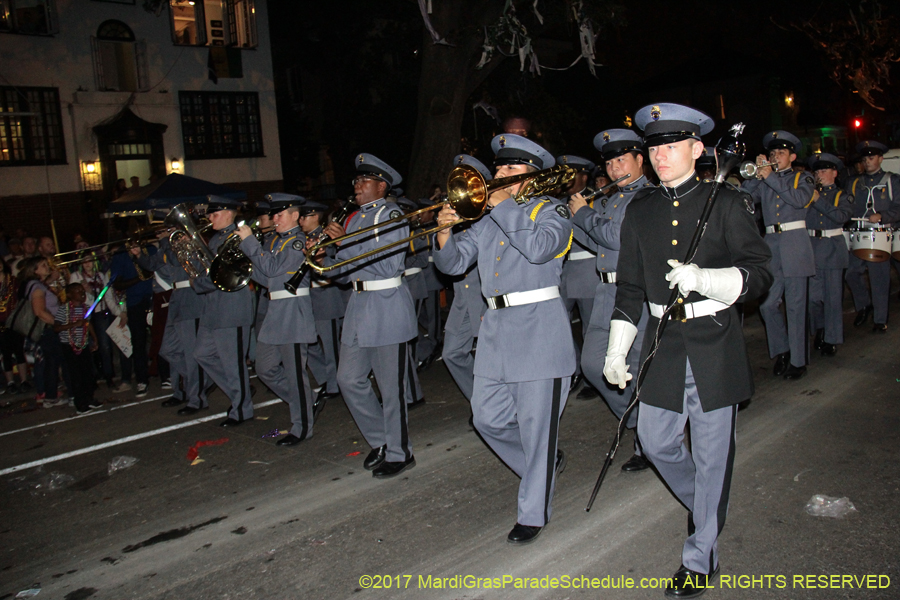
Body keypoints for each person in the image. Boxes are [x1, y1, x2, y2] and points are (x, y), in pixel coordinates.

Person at [605, 103, 772, 597]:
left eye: (671, 145)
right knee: (656, 444)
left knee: (713, 457)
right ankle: (707, 510)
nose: (660, 155)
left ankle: (700, 554)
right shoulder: (640, 210)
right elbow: (630, 289)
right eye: (654, 146)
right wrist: (617, 350)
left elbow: (760, 273)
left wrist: (707, 279)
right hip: (662, 345)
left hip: (713, 341)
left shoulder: (725, 203)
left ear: (698, 149)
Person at [434, 134, 574, 544]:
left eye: (509, 168)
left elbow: (539, 249)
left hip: (538, 332)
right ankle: (542, 462)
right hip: (495, 331)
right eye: (498, 167)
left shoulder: (554, 211)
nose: (497, 174)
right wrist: (444, 235)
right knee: (487, 418)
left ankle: (533, 511)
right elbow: (456, 263)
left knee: (535, 428)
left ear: (533, 174)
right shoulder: (490, 219)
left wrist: (505, 207)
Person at [318, 154, 417, 478]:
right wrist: (329, 255)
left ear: (381, 185)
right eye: (356, 181)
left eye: (364, 181)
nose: (357, 186)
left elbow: (388, 265)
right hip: (359, 306)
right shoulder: (354, 219)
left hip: (387, 304)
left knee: (392, 389)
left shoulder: (392, 215)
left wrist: (345, 243)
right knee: (348, 378)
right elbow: (347, 273)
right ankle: (381, 441)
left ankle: (401, 452)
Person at [568, 129, 654, 472]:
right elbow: (599, 246)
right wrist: (574, 222)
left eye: (622, 160)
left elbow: (618, 238)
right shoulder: (610, 200)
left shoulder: (648, 196)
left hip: (635, 293)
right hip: (605, 291)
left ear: (639, 161)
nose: (616, 168)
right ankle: (635, 419)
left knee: (636, 367)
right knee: (592, 365)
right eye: (610, 162)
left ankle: (647, 443)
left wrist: (584, 215)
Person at [237, 194, 318, 445]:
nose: (274, 219)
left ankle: (302, 426)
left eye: (279, 214)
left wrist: (250, 242)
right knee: (264, 368)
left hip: (293, 313)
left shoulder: (297, 242)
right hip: (276, 311)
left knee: (295, 374)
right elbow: (269, 279)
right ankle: (306, 400)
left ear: (295, 216)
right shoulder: (276, 242)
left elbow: (273, 270)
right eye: (273, 214)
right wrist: (246, 267)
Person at [741, 130, 816, 379]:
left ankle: (798, 360)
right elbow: (746, 200)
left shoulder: (802, 179)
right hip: (771, 245)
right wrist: (755, 176)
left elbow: (798, 200)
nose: (775, 156)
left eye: (780, 153)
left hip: (796, 245)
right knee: (768, 304)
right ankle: (782, 349)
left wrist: (770, 177)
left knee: (795, 306)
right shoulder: (766, 180)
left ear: (792, 156)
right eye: (772, 153)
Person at [191, 195, 255, 426]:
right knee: (201, 353)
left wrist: (198, 283)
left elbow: (225, 275)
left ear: (229, 213)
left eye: (214, 214)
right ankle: (241, 393)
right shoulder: (214, 239)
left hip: (232, 309)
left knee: (233, 362)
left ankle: (241, 410)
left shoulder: (238, 238)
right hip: (212, 310)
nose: (209, 218)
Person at [135, 226, 208, 414]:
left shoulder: (187, 244)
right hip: (176, 298)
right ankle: (199, 382)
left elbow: (176, 261)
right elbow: (153, 264)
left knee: (190, 354)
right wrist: (138, 255)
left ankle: (196, 397)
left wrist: (166, 241)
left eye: (165, 228)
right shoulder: (167, 245)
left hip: (190, 299)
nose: (160, 232)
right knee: (168, 348)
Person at [439, 154, 489, 402]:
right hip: (462, 296)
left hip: (484, 293)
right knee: (452, 354)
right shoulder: (458, 210)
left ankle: (497, 406)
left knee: (493, 359)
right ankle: (480, 401)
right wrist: (443, 229)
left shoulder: (487, 215)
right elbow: (449, 261)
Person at [556, 154, 601, 401]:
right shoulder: (555, 202)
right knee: (557, 323)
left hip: (587, 269)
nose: (565, 179)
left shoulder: (597, 198)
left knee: (590, 328)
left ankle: (593, 376)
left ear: (584, 176)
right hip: (562, 272)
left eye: (570, 174)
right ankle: (574, 370)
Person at [844, 140, 900, 332]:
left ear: (881, 159)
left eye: (872, 157)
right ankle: (864, 306)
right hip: (859, 233)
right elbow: (847, 206)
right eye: (865, 158)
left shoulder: (893, 181)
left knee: (879, 279)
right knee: (851, 273)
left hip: (881, 234)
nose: (867, 161)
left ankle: (880, 320)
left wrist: (883, 216)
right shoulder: (854, 183)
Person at [299, 200, 347, 416]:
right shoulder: (302, 239)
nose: (301, 221)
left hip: (326, 295)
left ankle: (335, 384)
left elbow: (338, 260)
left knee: (331, 345)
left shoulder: (327, 235)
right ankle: (326, 378)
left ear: (316, 218)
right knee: (310, 342)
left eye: (305, 217)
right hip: (310, 296)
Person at [807, 154, 852, 355]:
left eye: (823, 171)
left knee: (832, 298)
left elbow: (841, 217)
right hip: (812, 248)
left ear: (835, 173)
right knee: (812, 297)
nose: (819, 175)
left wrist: (818, 201)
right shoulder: (808, 194)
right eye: (817, 171)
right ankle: (820, 328)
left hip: (832, 249)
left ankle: (831, 338)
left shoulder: (842, 195)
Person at [69, 253, 121, 388]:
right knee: (86, 345)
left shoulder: (100, 276)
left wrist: (119, 313)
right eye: (84, 261)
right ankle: (91, 376)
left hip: (99, 312)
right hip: (83, 314)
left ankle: (109, 375)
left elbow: (108, 296)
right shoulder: (76, 276)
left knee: (104, 345)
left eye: (90, 261)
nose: (87, 264)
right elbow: (73, 295)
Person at [111, 242, 156, 397]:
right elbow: (117, 284)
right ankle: (142, 380)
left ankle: (166, 375)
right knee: (138, 342)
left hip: (154, 296)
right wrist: (140, 278)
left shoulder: (149, 248)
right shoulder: (120, 255)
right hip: (135, 302)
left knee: (161, 336)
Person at [19, 257, 65, 406]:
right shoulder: (36, 287)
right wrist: (57, 322)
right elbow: (39, 311)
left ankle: (50, 396)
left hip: (48, 329)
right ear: (35, 270)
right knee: (56, 360)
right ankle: (52, 396)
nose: (47, 267)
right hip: (48, 329)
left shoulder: (38, 284)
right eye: (43, 265)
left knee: (52, 362)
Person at [54, 283, 101, 414]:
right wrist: (73, 324)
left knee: (88, 372)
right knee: (76, 375)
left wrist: (95, 338)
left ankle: (89, 398)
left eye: (82, 290)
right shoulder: (64, 310)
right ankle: (80, 403)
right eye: (78, 291)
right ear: (69, 295)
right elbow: (56, 328)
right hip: (69, 346)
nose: (82, 293)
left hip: (83, 343)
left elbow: (88, 323)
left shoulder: (85, 308)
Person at [0, 260, 29, 394]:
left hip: (15, 320)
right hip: (1, 323)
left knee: (18, 350)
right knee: (6, 352)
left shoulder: (13, 281)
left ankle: (24, 380)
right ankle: (10, 382)